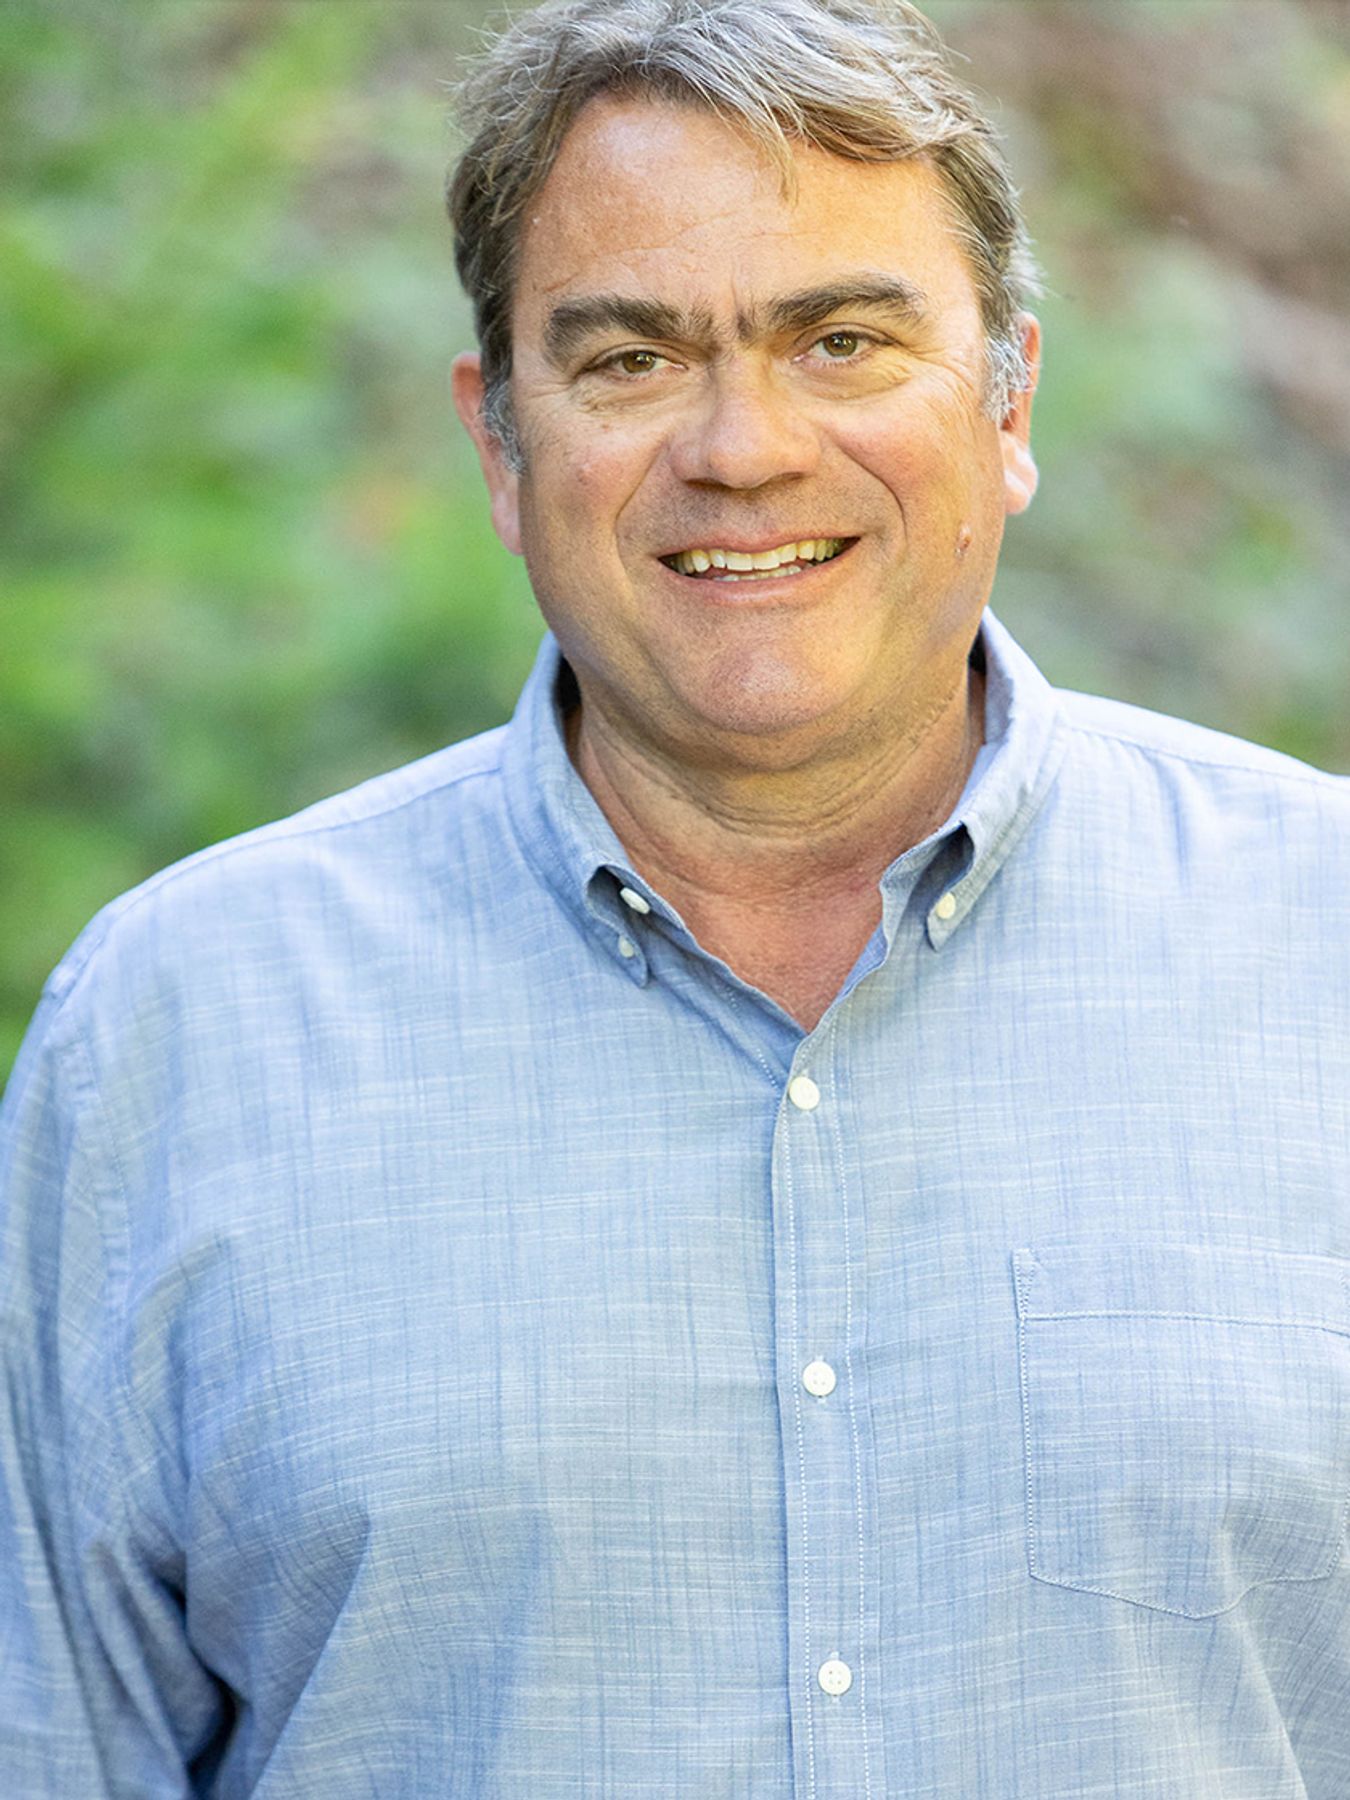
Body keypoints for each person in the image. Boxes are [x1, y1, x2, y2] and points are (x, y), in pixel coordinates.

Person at [2, 0, 1348, 1792]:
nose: (743, 447)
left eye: (842, 340)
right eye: (631, 359)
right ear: (502, 445)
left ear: (1010, 399)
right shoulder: (175, 1033)